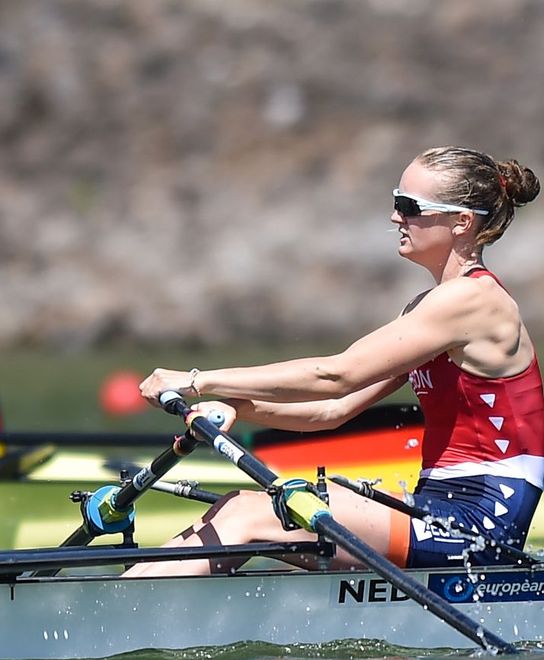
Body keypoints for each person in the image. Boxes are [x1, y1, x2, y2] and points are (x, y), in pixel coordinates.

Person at [126, 146, 542, 577]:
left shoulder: (474, 301)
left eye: (409, 206)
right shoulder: (427, 308)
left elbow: (335, 375)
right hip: (436, 509)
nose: (395, 218)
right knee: (262, 506)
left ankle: (117, 612)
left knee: (247, 515)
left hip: (483, 524)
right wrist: (236, 406)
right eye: (395, 202)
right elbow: (330, 411)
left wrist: (199, 380)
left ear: (461, 222)